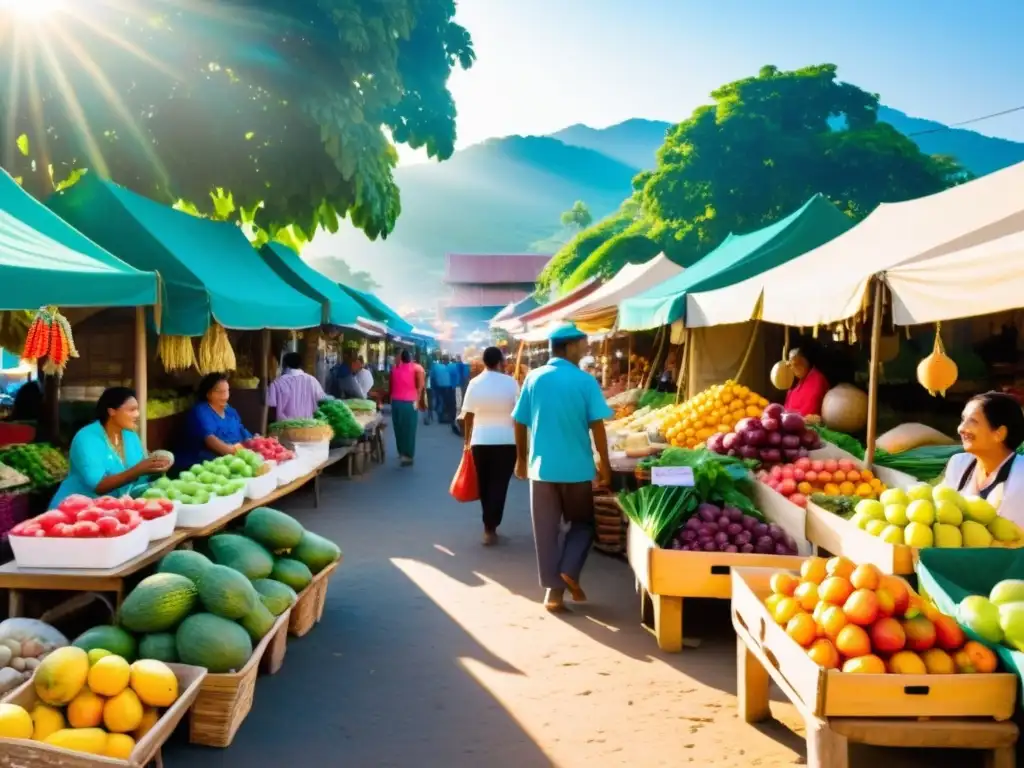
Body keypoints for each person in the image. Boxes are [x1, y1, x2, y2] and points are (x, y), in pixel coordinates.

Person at [512, 322, 613, 613]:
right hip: (577, 469)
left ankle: (553, 594)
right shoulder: (585, 381)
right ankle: (569, 568)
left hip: (541, 470)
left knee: (545, 532)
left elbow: (519, 420)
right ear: (568, 347)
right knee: (582, 524)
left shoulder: (534, 378)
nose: (586, 348)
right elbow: (598, 426)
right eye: (582, 343)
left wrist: (520, 458)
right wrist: (604, 463)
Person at [51, 387, 170, 507]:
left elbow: (139, 478)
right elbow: (98, 486)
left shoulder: (130, 435)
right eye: (132, 410)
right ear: (112, 411)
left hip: (110, 512)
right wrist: (138, 470)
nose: (137, 415)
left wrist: (156, 468)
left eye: (137, 410)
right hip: (73, 511)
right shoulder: (87, 438)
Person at [461, 346, 520, 545]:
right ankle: (491, 524)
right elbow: (519, 415)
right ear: (499, 362)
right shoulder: (511, 383)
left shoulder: (474, 383)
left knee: (485, 485)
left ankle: (488, 526)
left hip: (481, 441)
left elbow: (468, 415)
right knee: (499, 485)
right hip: (506, 441)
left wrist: (467, 442)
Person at [942, 392, 1024, 518]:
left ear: (999, 433)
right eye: (963, 420)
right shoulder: (958, 464)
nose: (960, 428)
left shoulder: (1020, 476)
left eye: (973, 421)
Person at [178, 373, 253, 469]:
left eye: (227, 391)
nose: (225, 396)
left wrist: (257, 442)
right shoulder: (201, 412)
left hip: (233, 460)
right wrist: (239, 452)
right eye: (219, 392)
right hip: (206, 465)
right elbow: (211, 441)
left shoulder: (230, 410)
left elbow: (242, 430)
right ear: (208, 394)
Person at [267, 352, 326, 422]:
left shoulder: (277, 383)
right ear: (301, 365)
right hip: (309, 426)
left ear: (284, 365)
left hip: (284, 428)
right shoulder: (312, 380)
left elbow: (270, 406)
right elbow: (322, 400)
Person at [390, 349, 425, 466]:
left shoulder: (394, 369)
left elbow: (391, 385)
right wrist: (418, 401)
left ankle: (401, 452)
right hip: (410, 403)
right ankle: (408, 456)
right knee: (409, 430)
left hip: (396, 402)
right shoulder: (417, 369)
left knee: (398, 428)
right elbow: (420, 387)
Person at [784, 347, 829, 418]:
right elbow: (786, 407)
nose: (792, 368)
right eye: (790, 365)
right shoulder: (799, 380)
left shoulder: (817, 380)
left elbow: (809, 411)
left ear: (805, 362)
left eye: (794, 364)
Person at [430, 355, 453, 424]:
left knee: (440, 400)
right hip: (448, 387)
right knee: (447, 401)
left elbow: (432, 377)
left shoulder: (436, 366)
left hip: (439, 387)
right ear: (448, 360)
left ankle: (441, 417)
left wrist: (432, 386)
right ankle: (448, 416)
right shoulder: (451, 367)